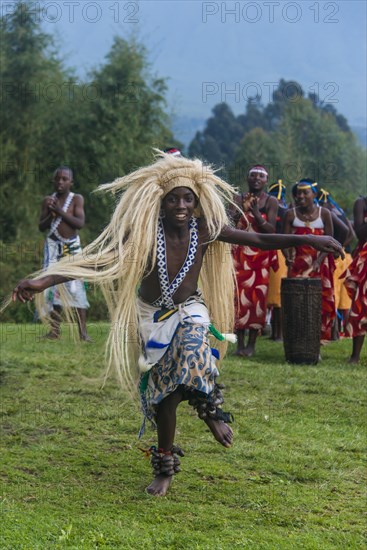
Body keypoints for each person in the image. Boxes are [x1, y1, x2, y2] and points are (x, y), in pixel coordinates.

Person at [11, 153, 343, 496]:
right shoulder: (144, 234)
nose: (181, 205)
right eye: (173, 199)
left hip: (189, 308)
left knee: (194, 341)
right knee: (165, 398)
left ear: (197, 202)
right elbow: (99, 262)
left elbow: (258, 240)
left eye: (187, 198)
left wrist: (312, 239)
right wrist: (43, 281)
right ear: (161, 203)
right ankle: (166, 463)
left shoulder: (206, 230)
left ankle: (209, 408)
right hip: (151, 317)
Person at [229, 165, 278, 357]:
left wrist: (256, 213)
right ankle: (239, 344)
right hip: (239, 257)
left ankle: (251, 344)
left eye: (261, 176)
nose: (257, 178)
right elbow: (229, 224)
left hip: (260, 259)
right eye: (253, 175)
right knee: (238, 299)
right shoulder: (236, 198)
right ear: (247, 179)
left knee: (257, 299)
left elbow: (271, 230)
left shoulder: (271, 201)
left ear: (266, 180)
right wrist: (241, 209)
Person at [38, 166, 90, 341]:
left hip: (71, 248)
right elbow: (41, 227)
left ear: (71, 182)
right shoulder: (48, 200)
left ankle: (83, 333)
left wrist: (59, 211)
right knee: (52, 287)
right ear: (53, 181)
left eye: (64, 179)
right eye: (57, 179)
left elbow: (79, 223)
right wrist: (51, 215)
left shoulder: (76, 199)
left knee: (76, 286)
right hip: (53, 246)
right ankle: (54, 331)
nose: (60, 182)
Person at [283, 179, 336, 341]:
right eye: (298, 192)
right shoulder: (290, 214)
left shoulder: (324, 214)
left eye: (305, 192)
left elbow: (330, 241)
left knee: (319, 303)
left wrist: (318, 262)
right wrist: (287, 257)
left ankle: (316, 342)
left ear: (314, 194)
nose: (300, 196)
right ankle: (298, 341)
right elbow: (283, 241)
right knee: (296, 303)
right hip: (297, 265)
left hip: (320, 265)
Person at [317, 186, 354, 337]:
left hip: (338, 257)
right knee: (342, 297)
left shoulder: (329, 213)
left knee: (334, 294)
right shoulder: (337, 211)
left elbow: (347, 232)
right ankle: (339, 331)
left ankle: (335, 333)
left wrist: (338, 247)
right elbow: (350, 232)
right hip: (343, 255)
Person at [342, 196, 367, 363]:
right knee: (362, 303)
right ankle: (355, 356)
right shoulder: (361, 203)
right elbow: (360, 234)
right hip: (365, 259)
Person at [266, 179, 288, 341]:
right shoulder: (286, 210)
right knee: (275, 296)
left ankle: (278, 334)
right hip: (273, 252)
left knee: (276, 296)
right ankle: (275, 333)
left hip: (276, 252)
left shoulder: (276, 209)